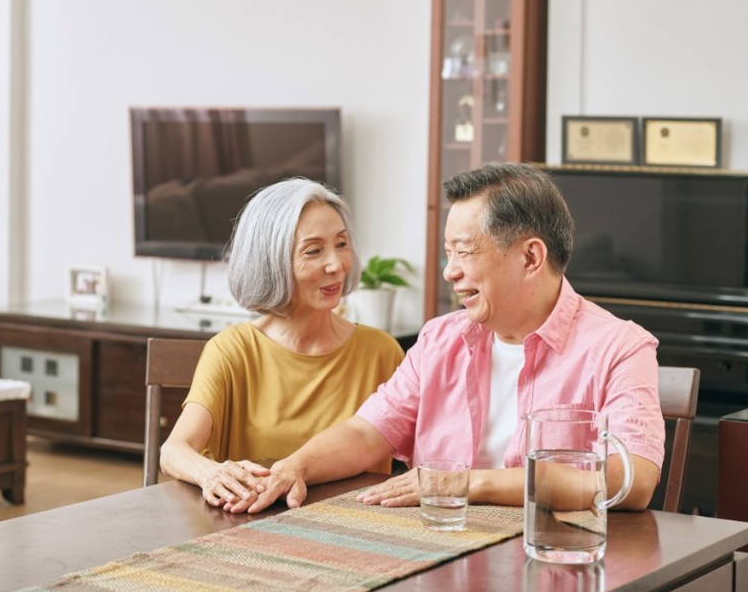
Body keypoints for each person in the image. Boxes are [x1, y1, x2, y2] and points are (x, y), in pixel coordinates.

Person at [247, 161, 665, 515]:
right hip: (436, 551)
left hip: (553, 559)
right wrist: (294, 467)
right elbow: (366, 433)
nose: (450, 272)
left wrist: (468, 484)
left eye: (464, 252)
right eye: (449, 254)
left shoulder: (620, 348)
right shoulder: (439, 339)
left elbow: (632, 477)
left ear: (530, 257)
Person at [159, 177, 405, 509]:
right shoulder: (232, 351)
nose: (337, 265)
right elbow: (174, 450)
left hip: (357, 533)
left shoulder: (381, 352)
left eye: (342, 243)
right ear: (271, 261)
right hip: (247, 529)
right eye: (314, 251)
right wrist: (211, 474)